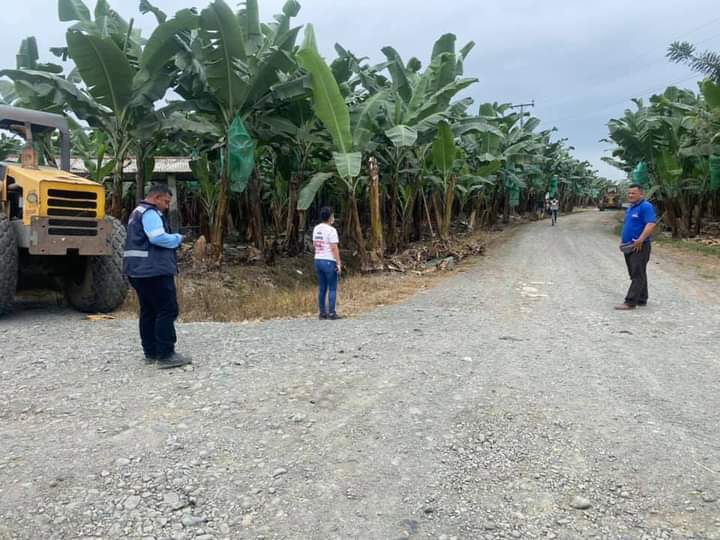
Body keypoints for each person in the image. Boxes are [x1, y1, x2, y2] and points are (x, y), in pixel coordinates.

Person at [123, 184, 192, 368]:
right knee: (166, 309)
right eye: (166, 202)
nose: (167, 206)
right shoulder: (150, 213)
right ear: (155, 198)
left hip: (137, 270)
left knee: (149, 311)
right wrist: (177, 238)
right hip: (153, 271)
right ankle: (166, 354)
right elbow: (157, 237)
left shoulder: (136, 212)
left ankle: (151, 352)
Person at [615, 183, 657, 310]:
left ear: (641, 194)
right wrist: (623, 240)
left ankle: (630, 301)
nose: (630, 195)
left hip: (640, 246)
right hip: (628, 245)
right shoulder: (631, 208)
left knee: (637, 273)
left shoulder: (646, 207)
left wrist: (641, 239)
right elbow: (628, 225)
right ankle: (642, 298)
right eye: (629, 193)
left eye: (633, 193)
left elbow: (651, 224)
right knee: (636, 272)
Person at [313, 207, 342, 320]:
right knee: (332, 288)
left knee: (322, 288)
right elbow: (334, 248)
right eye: (333, 216)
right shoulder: (331, 230)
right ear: (330, 217)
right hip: (329, 261)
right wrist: (338, 263)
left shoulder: (316, 228)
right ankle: (332, 313)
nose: (333, 218)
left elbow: (315, 244)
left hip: (318, 259)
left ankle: (322, 313)